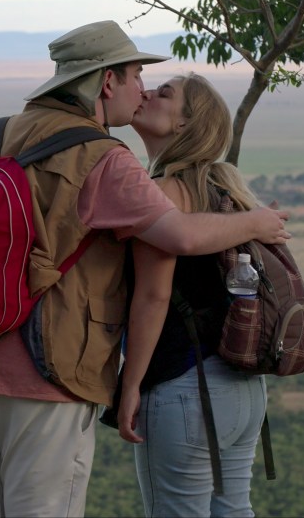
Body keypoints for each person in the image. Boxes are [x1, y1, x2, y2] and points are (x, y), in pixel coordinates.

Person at [0, 21, 290, 518]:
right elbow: (179, 236)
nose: (141, 90)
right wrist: (258, 220)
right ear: (106, 82)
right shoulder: (103, 158)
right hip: (45, 370)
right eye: (137, 75)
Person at [115, 72, 270, 517]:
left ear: (186, 124)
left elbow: (153, 297)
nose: (145, 93)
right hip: (243, 389)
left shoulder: (163, 193)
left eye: (164, 94)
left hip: (187, 389)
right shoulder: (224, 191)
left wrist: (131, 386)